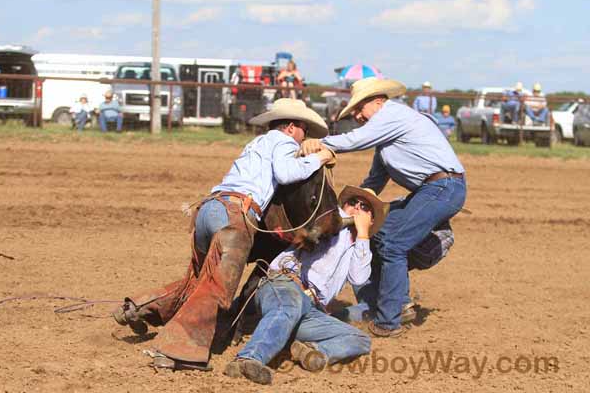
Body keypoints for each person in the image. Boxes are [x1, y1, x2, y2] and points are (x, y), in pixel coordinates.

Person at [112, 98, 335, 371]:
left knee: (199, 279)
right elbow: (287, 174)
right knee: (218, 287)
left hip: (209, 209)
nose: (305, 136)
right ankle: (178, 352)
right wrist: (319, 157)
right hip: (236, 214)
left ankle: (140, 307)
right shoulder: (284, 142)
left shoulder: (257, 143)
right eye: (304, 130)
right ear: (291, 127)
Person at [300, 77, 466, 338]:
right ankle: (393, 304)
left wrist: (320, 143)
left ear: (378, 101)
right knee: (376, 234)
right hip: (437, 190)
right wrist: (354, 209)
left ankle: (389, 321)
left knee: (393, 244)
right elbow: (374, 182)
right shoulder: (388, 138)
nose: (356, 116)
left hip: (443, 188)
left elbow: (356, 140)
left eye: (358, 109)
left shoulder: (394, 114)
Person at [224, 186, 383, 385]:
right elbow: (320, 225)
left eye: (365, 207)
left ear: (371, 219)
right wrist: (338, 220)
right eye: (353, 203)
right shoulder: (329, 221)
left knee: (359, 339)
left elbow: (359, 278)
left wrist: (363, 235)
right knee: (287, 307)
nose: (357, 209)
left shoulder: (360, 245)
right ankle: (248, 359)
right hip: (285, 283)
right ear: (343, 205)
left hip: (311, 307)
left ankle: (310, 350)